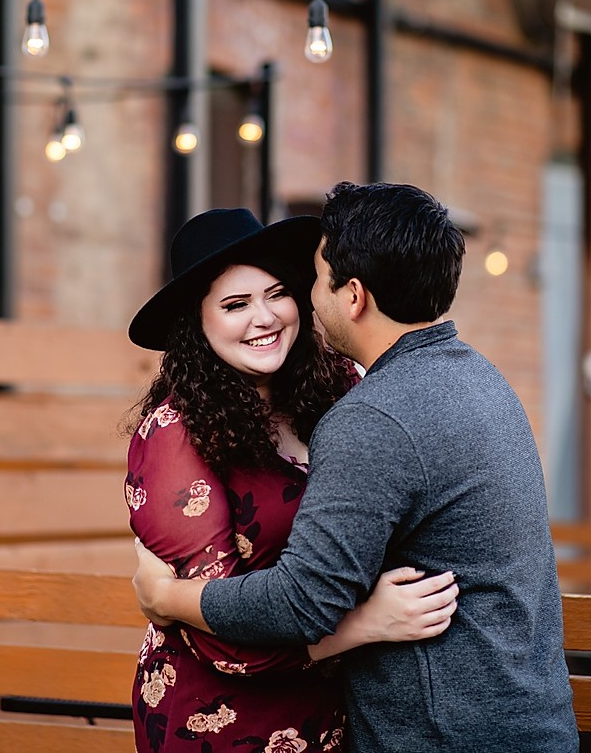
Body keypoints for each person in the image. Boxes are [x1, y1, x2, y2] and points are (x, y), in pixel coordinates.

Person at [134, 182, 579, 753]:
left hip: (445, 733)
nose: (298, 302)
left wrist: (164, 598)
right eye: (235, 304)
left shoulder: (366, 411)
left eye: (303, 283)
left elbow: (301, 602)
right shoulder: (478, 377)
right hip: (236, 720)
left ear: (353, 296)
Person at [125, 207, 459, 753]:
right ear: (197, 320)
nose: (265, 318)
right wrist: (366, 624)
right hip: (219, 722)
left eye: (277, 294)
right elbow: (219, 636)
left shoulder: (342, 389)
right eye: (235, 305)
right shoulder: (174, 434)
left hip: (338, 716)